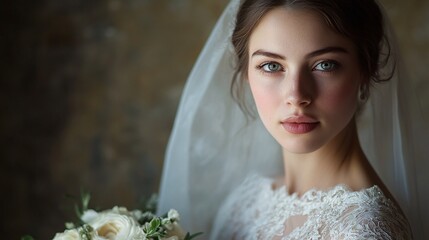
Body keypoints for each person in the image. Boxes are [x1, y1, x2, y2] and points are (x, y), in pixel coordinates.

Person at [158, 0, 428, 239]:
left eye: (325, 65)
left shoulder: (364, 229)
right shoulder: (246, 200)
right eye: (272, 66)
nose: (297, 96)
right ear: (246, 76)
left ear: (365, 73)